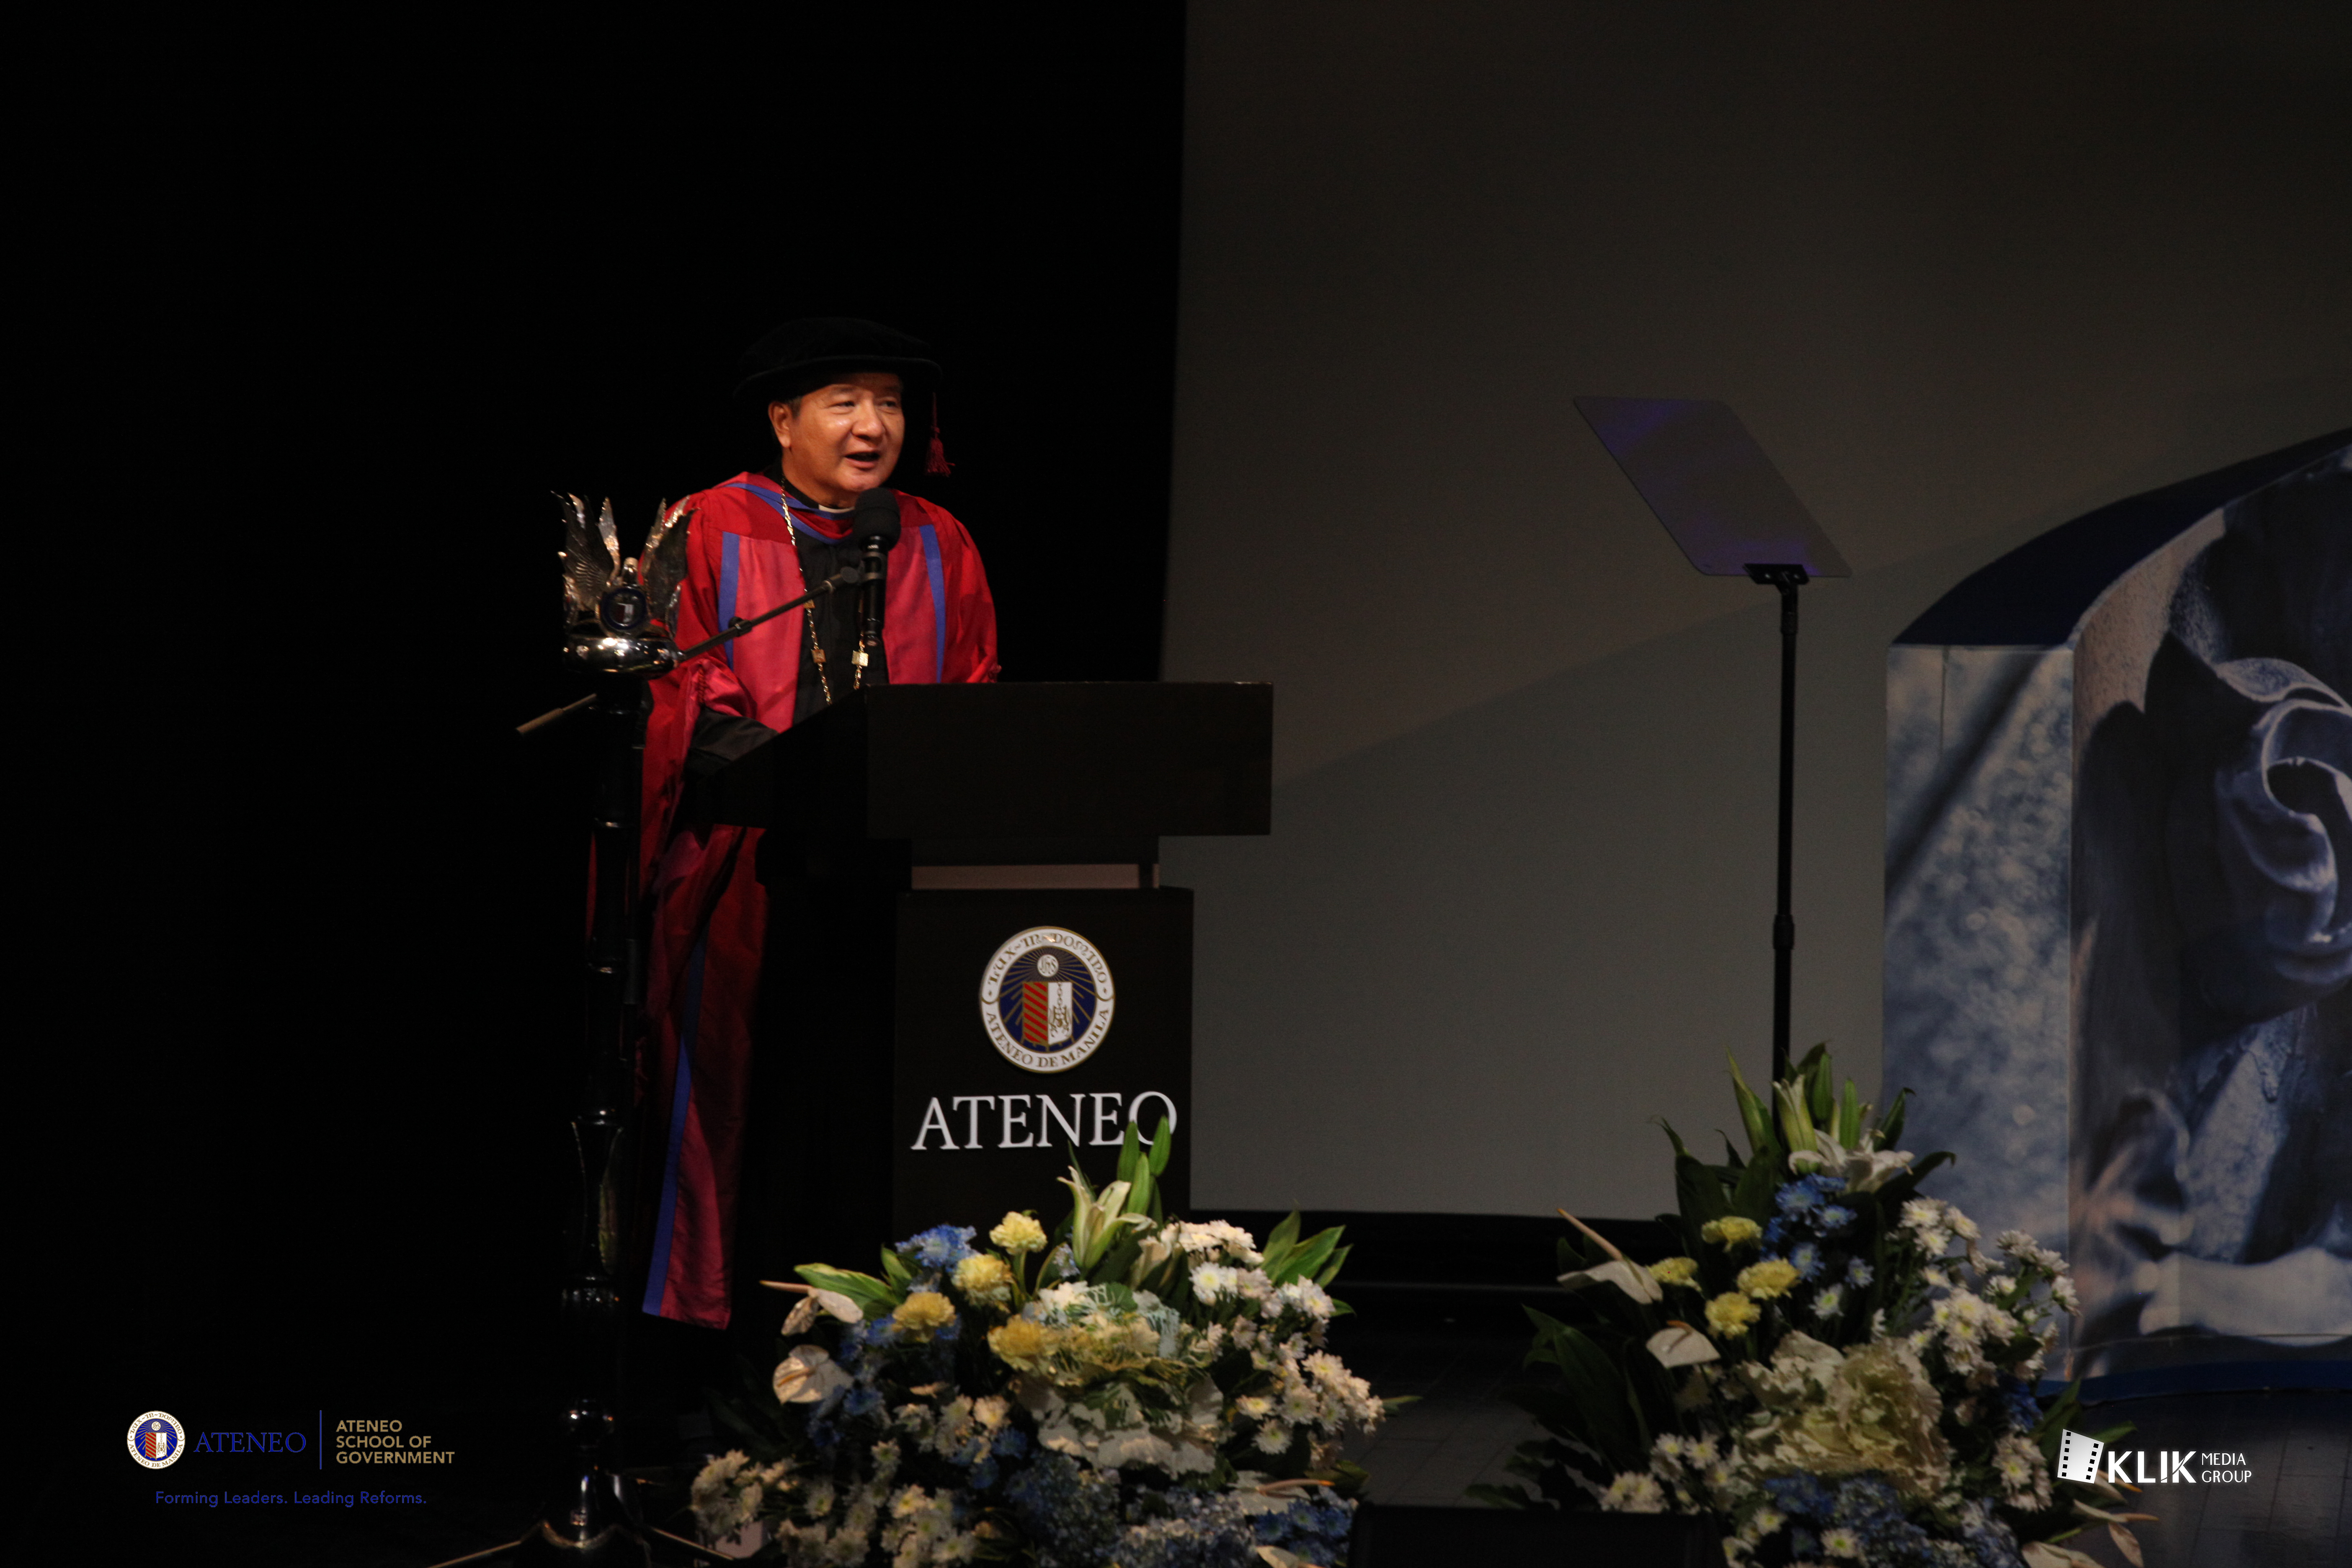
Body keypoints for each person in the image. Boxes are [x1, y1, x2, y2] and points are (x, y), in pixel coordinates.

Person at [635, 317, 999, 1328]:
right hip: (753, 878)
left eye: (888, 403)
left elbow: (975, 690)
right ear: (782, 418)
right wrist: (799, 781)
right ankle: (734, 1356)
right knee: (751, 1120)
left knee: (887, 1114)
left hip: (903, 888)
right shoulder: (707, 525)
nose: (873, 425)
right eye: (845, 403)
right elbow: (682, 690)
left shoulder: (936, 537)